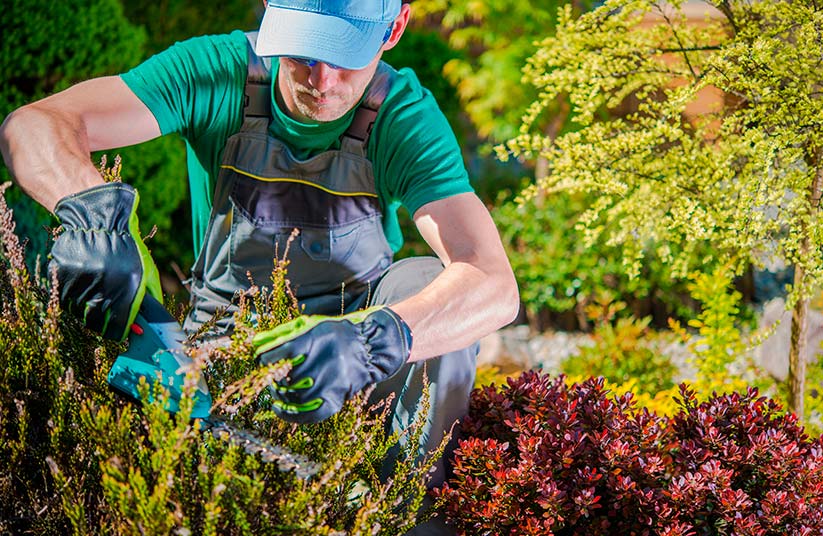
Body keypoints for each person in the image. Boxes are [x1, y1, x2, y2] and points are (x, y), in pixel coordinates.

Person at [0, 0, 519, 531]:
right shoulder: (218, 72)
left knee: (427, 281)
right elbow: (34, 123)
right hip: (223, 339)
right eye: (303, 50)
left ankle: (413, 518)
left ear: (395, 28)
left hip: (351, 355)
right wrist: (91, 212)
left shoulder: (403, 116)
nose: (321, 79)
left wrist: (370, 342)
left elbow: (493, 283)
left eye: (345, 56)